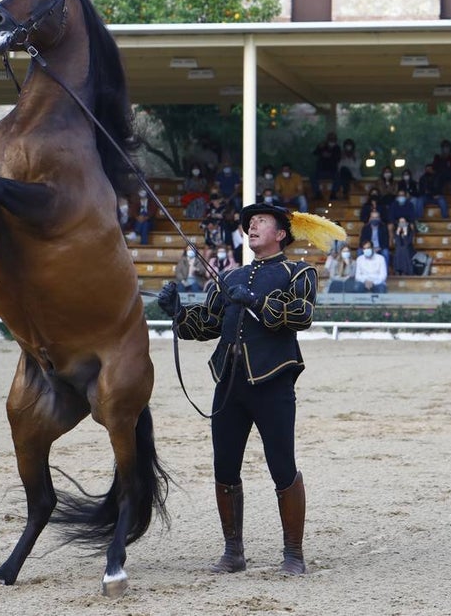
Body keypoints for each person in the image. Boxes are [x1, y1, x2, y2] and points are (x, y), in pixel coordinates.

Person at [155, 202, 317, 576]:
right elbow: (209, 324)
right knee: (224, 467)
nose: (252, 226)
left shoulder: (298, 272)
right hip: (229, 383)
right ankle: (233, 552)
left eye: (261, 221)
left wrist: (257, 301)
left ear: (281, 234)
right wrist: (178, 312)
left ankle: (293, 554)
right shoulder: (230, 277)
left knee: (282, 466)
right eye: (250, 222)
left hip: (272, 383)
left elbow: (302, 314)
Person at [311, 131, 341, 201]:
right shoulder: (323, 146)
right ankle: (318, 193)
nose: (332, 140)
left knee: (338, 176)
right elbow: (314, 153)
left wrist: (330, 156)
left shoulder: (337, 148)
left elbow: (338, 158)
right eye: (330, 139)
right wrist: (319, 147)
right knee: (313, 176)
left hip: (332, 171)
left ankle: (333, 194)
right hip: (321, 171)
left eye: (333, 139)